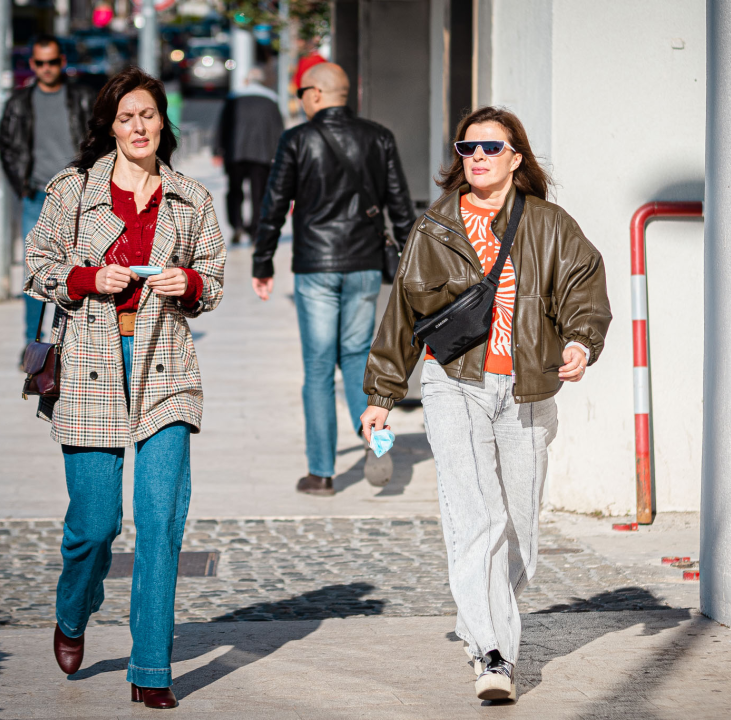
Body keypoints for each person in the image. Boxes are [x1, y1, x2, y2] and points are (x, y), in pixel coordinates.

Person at [359, 106, 612, 702]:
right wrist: (382, 394)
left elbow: (584, 286)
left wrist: (580, 341)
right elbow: (403, 314)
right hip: (456, 384)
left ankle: (484, 617)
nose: (476, 157)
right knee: (476, 518)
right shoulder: (435, 228)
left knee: (519, 526)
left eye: (490, 148)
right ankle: (492, 653)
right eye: (466, 147)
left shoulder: (549, 224)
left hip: (527, 388)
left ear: (516, 158)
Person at [24, 67, 225, 710]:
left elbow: (214, 280)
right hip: (89, 360)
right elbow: (38, 267)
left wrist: (186, 285)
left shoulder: (191, 199)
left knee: (161, 520)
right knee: (95, 524)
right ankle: (74, 612)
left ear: (163, 119)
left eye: (147, 115)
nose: (138, 127)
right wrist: (87, 279)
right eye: (125, 117)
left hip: (164, 363)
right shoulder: (73, 190)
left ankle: (151, 670)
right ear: (109, 126)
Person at [252, 62, 416, 496]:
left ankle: (321, 474)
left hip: (315, 268)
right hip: (363, 265)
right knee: (358, 359)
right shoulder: (379, 137)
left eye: (302, 91)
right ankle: (376, 441)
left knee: (320, 369)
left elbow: (273, 206)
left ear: (317, 94)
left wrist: (262, 263)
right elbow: (400, 207)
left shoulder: (297, 139)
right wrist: (412, 266)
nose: (301, 99)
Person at [0, 34, 95, 354]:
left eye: (52, 62)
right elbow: (7, 147)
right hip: (38, 197)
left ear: (62, 63)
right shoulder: (19, 102)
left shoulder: (82, 98)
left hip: (79, 197)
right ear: (32, 65)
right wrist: (22, 187)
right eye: (40, 63)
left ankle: (69, 341)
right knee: (35, 273)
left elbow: (99, 140)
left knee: (77, 270)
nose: (47, 68)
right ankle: (33, 345)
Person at [213, 67, 284, 245]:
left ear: (247, 80)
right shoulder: (271, 99)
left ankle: (236, 225)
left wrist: (216, 150)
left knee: (234, 191)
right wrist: (279, 154)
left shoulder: (234, 98)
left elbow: (222, 126)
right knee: (259, 193)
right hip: (262, 154)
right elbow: (278, 130)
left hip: (235, 152)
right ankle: (255, 229)